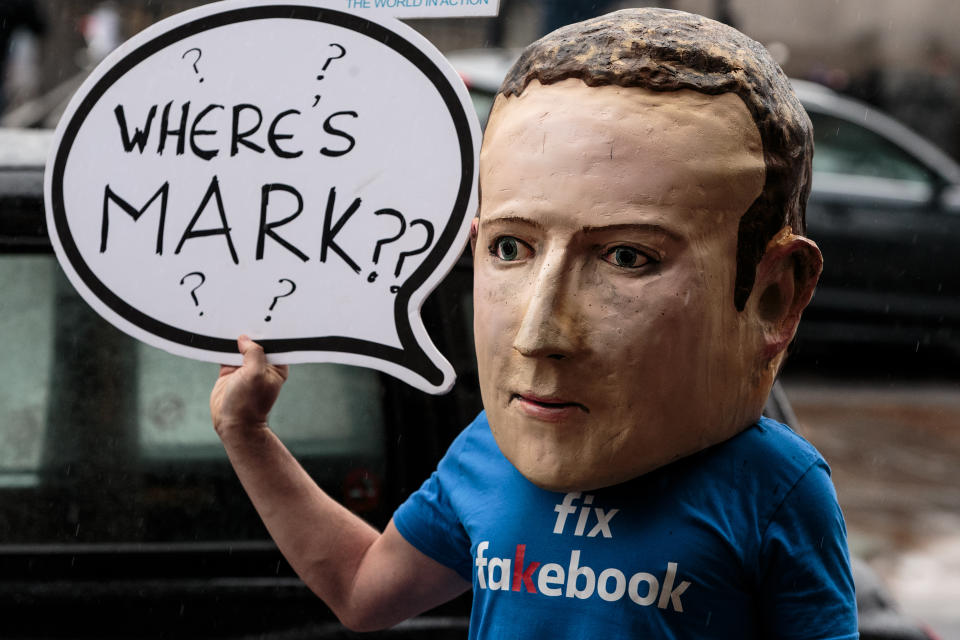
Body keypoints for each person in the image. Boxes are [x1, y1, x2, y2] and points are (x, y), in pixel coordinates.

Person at [210, 8, 858, 639]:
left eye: (627, 257)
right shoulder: (488, 456)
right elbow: (360, 588)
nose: (536, 334)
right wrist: (249, 433)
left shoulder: (772, 489)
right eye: (510, 248)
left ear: (774, 296)